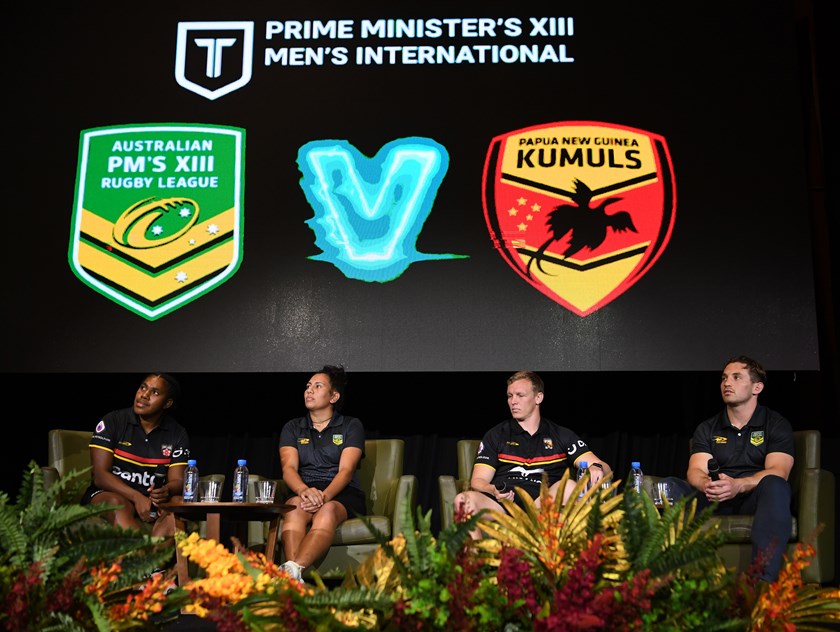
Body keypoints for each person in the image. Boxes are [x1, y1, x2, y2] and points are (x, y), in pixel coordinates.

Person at [667, 355, 795, 582]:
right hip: (714, 498)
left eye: (737, 377)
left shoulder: (776, 424)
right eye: (724, 378)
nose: (727, 383)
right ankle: (661, 577)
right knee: (668, 487)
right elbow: (695, 470)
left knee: (775, 485)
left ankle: (761, 582)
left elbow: (778, 470)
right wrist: (709, 484)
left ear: (757, 387)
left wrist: (739, 484)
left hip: (755, 499)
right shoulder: (708, 428)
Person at [454, 371, 612, 535]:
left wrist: (597, 467)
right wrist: (492, 489)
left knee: (570, 486)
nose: (513, 401)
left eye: (520, 395)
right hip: (504, 505)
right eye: (510, 396)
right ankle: (472, 561)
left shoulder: (561, 435)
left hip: (541, 505)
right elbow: (478, 481)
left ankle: (561, 558)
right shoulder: (496, 434)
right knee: (462, 501)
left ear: (538, 398)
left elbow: (605, 468)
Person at [278, 365, 366, 582]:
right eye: (308, 386)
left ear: (334, 396)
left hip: (341, 491)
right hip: (305, 490)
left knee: (326, 511)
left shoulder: (350, 425)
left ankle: (291, 573)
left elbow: (346, 471)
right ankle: (295, 577)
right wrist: (305, 491)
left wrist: (324, 496)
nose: (309, 391)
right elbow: (288, 469)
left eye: (318, 386)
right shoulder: (293, 427)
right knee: (294, 508)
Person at [81, 373, 190, 540]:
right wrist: (136, 497)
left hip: (152, 501)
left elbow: (178, 481)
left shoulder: (177, 433)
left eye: (154, 392)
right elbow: (100, 475)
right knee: (118, 503)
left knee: (178, 502)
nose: (144, 395)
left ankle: (155, 560)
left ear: (167, 403)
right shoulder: (114, 421)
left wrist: (165, 491)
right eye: (143, 387)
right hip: (109, 493)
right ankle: (142, 560)